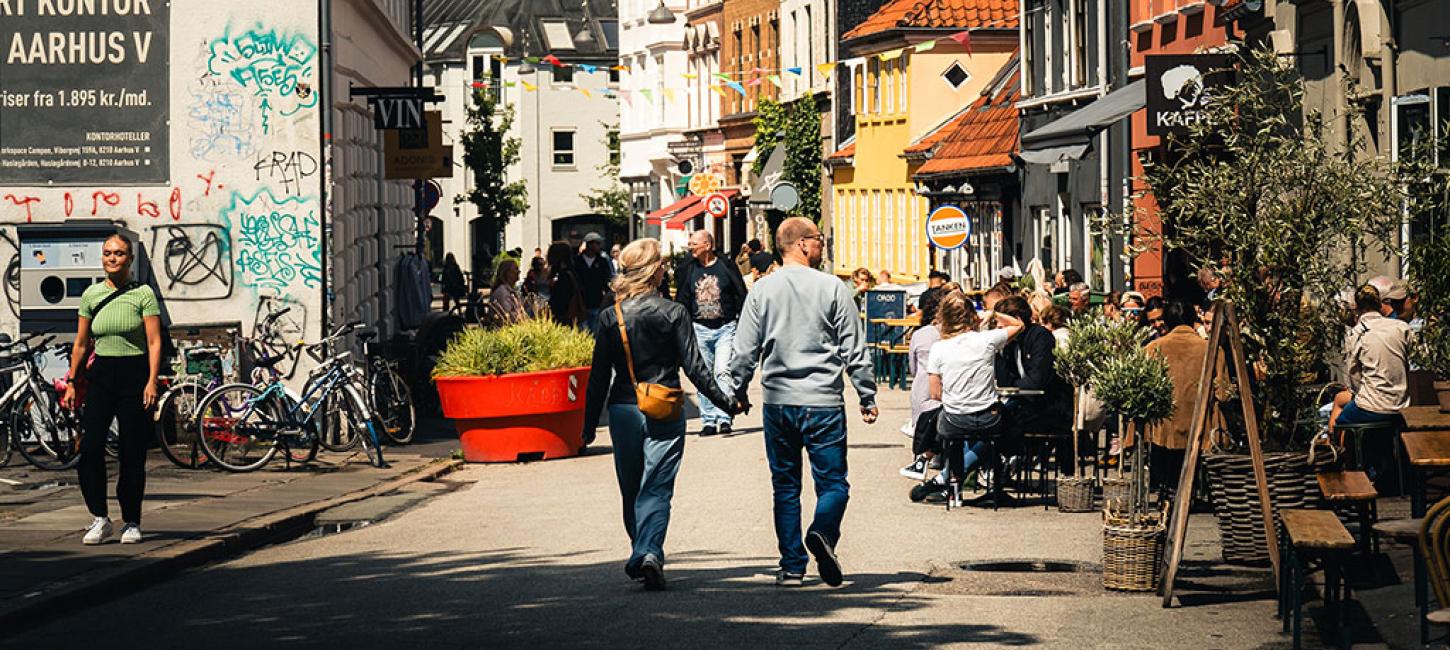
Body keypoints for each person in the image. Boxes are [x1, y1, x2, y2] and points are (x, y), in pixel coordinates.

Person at [581, 238, 740, 591]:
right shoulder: (674, 313)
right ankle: (649, 551)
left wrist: (588, 425)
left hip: (623, 409)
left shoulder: (611, 316)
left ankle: (641, 550)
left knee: (631, 487)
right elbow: (696, 369)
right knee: (657, 487)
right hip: (665, 404)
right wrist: (726, 402)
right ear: (655, 270)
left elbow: (597, 376)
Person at [728, 217, 877, 588]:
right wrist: (866, 393)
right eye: (819, 239)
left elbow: (745, 347)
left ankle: (792, 566)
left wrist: (737, 388)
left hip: (778, 402)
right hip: (823, 401)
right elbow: (853, 347)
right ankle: (823, 532)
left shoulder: (762, 291)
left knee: (786, 486)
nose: (823, 244)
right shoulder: (833, 288)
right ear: (801, 244)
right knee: (833, 485)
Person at [62, 234, 163, 545]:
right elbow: (81, 344)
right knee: (90, 448)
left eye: (119, 253)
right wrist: (71, 381)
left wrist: (151, 380)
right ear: (102, 258)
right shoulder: (91, 295)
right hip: (102, 376)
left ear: (130, 259)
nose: (113, 258)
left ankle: (131, 520)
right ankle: (100, 518)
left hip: (134, 375)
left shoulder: (143, 294)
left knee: (131, 452)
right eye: (108, 253)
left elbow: (154, 341)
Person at [926, 292, 1026, 494]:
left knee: (951, 429)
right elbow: (1018, 325)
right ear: (973, 316)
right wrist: (992, 313)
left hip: (954, 419)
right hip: (989, 417)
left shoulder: (938, 348)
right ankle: (993, 483)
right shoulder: (986, 340)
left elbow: (935, 393)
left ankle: (951, 483)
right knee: (1003, 425)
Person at [1143, 301, 1225, 495]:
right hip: (1200, 425)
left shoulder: (1153, 348)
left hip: (1164, 427)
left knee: (1168, 474)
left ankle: (1168, 492)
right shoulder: (1211, 350)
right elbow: (1222, 392)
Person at [675, 230, 749, 437]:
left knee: (722, 371)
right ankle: (708, 420)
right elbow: (683, 297)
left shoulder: (725, 266)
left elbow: (740, 293)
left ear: (707, 245)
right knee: (703, 375)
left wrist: (741, 320)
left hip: (725, 327)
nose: (691, 248)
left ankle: (725, 416)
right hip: (699, 328)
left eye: (694, 244)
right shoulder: (688, 268)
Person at [993, 295, 1074, 472]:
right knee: (987, 420)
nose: (998, 329)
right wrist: (997, 351)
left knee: (999, 423)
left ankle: (1000, 470)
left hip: (1050, 409)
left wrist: (1014, 385)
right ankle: (996, 474)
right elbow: (1005, 381)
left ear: (1018, 321)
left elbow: (1037, 381)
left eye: (1002, 324)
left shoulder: (1040, 337)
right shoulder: (1009, 345)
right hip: (1025, 404)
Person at [900, 287, 945, 479]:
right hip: (944, 385)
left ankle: (921, 457)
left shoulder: (919, 334)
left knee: (924, 420)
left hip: (922, 384)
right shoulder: (956, 336)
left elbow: (912, 366)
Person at [575, 232, 615, 331]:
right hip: (580, 301)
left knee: (595, 329)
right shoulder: (577, 261)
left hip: (597, 300)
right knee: (581, 330)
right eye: (597, 243)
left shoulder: (602, 261)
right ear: (589, 244)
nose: (599, 246)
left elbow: (607, 279)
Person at [547, 242, 585, 327]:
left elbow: (560, 301)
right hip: (569, 318)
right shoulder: (571, 272)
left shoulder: (563, 276)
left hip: (563, 319)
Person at [490, 259, 525, 323]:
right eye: (516, 269)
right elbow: (508, 316)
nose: (519, 271)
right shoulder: (503, 292)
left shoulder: (510, 290)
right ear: (507, 273)